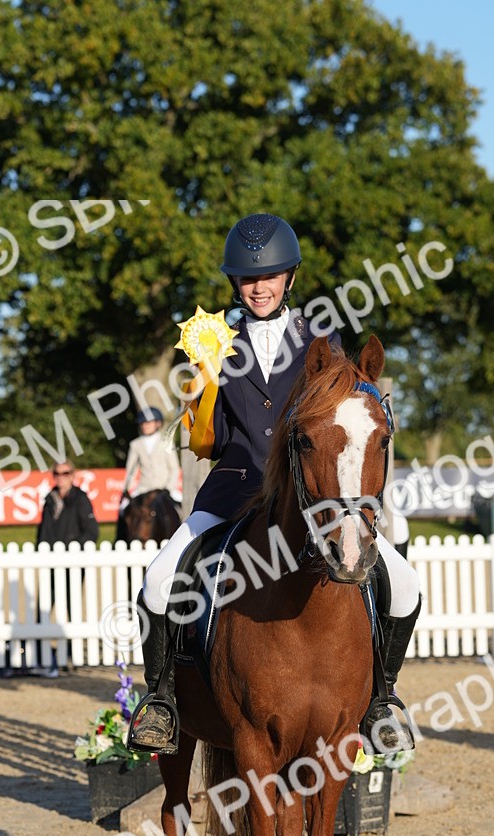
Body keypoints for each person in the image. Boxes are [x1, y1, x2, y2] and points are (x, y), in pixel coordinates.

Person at [132, 212, 421, 751]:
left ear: (289, 277)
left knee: (403, 585)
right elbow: (213, 441)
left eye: (268, 277)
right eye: (247, 279)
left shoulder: (321, 337)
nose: (258, 288)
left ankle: (382, 699)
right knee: (158, 576)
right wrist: (199, 398)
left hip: (306, 494)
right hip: (235, 488)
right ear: (234, 284)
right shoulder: (215, 342)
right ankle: (161, 701)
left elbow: (337, 420)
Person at [35, 460, 99, 676]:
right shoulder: (49, 498)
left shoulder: (80, 499)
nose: (61, 477)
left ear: (73, 475)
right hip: (50, 563)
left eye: (65, 473)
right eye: (57, 473)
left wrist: (73, 549)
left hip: (71, 565)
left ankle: (71, 655)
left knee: (70, 610)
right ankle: (40, 654)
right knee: (44, 608)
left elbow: (92, 531)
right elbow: (43, 530)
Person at [117, 408, 181, 538]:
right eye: (142, 423)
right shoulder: (135, 444)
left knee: (182, 508)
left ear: (157, 423)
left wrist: (169, 487)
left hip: (163, 487)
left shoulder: (166, 441)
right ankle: (120, 538)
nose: (145, 426)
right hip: (143, 488)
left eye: (148, 423)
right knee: (123, 509)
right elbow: (131, 470)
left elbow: (174, 468)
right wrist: (126, 489)